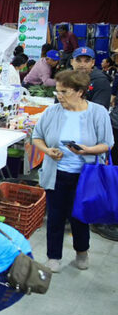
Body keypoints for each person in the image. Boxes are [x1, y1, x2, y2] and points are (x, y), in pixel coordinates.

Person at [32, 70, 113, 273]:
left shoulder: (98, 112)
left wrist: (87, 150)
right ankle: (53, 256)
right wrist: (47, 151)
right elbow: (37, 137)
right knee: (55, 217)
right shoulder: (52, 112)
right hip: (56, 174)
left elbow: (107, 143)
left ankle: (82, 251)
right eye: (57, 91)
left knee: (80, 217)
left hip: (85, 176)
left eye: (64, 91)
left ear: (79, 92)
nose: (59, 96)